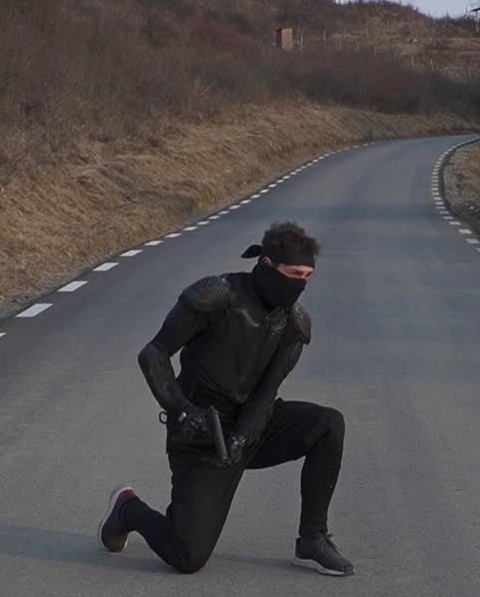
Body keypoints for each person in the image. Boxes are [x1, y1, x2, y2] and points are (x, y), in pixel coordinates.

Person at [97, 221, 353, 576]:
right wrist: (181, 411)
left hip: (251, 427)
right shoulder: (216, 296)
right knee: (187, 557)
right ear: (266, 265)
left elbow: (267, 394)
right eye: (294, 273)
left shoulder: (294, 324)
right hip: (200, 434)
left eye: (308, 276)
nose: (301, 284)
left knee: (328, 424)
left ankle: (312, 539)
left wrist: (243, 437)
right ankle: (127, 508)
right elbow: (153, 354)